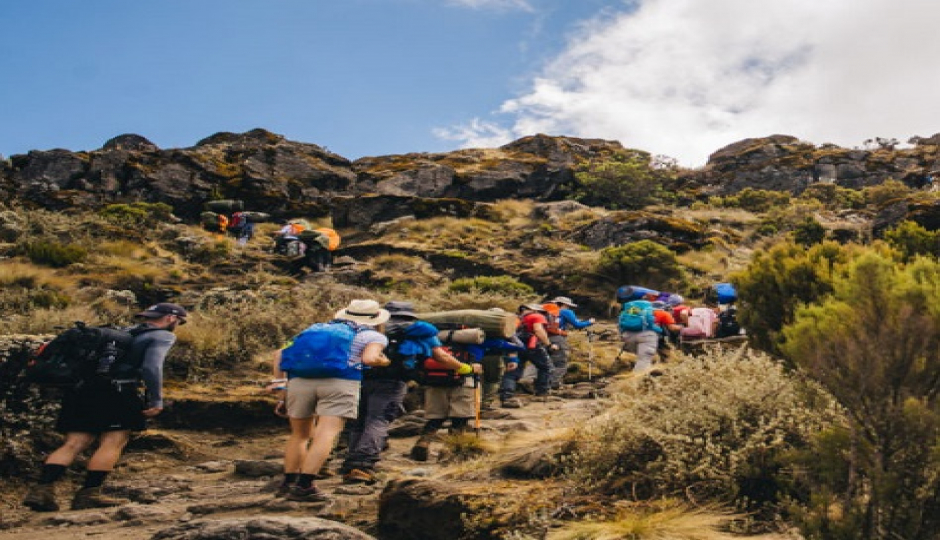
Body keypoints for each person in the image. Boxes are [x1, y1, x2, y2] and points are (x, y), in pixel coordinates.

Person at [22, 302, 187, 512]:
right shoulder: (162, 336)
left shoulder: (122, 333)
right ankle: (89, 494)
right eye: (180, 322)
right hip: (116, 392)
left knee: (74, 442)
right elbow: (151, 366)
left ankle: (41, 490)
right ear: (172, 318)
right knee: (113, 440)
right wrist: (156, 399)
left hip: (80, 390)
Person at [268, 299, 391, 502]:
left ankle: (288, 483)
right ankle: (305, 485)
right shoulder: (372, 335)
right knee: (327, 432)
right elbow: (369, 359)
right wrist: (383, 360)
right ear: (374, 318)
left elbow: (279, 354)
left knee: (299, 435)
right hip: (340, 383)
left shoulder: (315, 329)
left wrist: (280, 386)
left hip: (300, 382)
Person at [339, 301, 467, 483]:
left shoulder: (367, 327)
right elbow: (441, 357)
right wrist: (464, 368)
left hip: (358, 378)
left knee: (358, 421)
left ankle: (350, 463)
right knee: (377, 420)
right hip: (394, 380)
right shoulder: (418, 331)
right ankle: (362, 465)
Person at [409, 340, 484, 462]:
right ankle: (451, 450)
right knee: (460, 418)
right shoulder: (474, 338)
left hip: (434, 381)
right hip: (464, 381)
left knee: (435, 417)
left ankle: (423, 442)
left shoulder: (432, 338)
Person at [498, 304, 555, 407]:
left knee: (512, 371)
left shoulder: (516, 318)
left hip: (514, 347)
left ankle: (506, 396)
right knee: (546, 367)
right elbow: (538, 330)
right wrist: (549, 344)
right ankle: (542, 392)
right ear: (535, 310)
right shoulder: (536, 316)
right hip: (532, 346)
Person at [544, 296, 594, 390]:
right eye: (568, 306)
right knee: (560, 362)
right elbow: (577, 325)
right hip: (557, 338)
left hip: (543, 338)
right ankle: (553, 383)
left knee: (545, 360)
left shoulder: (545, 310)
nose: (569, 308)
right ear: (564, 304)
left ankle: (536, 382)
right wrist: (589, 322)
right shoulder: (565, 312)